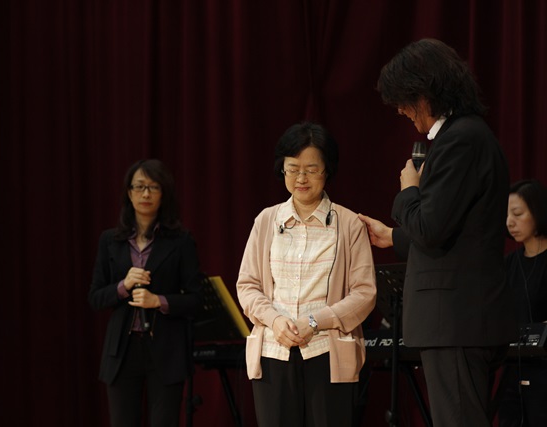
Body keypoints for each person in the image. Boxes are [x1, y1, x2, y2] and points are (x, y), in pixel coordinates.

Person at [357, 38, 517, 427]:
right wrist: (392, 237)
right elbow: (455, 230)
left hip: (456, 321)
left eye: (404, 100)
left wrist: (408, 190)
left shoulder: (460, 139)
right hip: (461, 320)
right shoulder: (466, 136)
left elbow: (430, 227)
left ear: (426, 92)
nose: (400, 110)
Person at [236, 121, 376, 427]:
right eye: (293, 169)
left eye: (311, 169)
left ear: (327, 171)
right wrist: (275, 320)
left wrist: (315, 321)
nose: (301, 178)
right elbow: (247, 285)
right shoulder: (266, 220)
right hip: (273, 351)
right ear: (282, 169)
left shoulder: (348, 224)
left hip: (328, 353)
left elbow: (364, 293)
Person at [88, 159, 202, 427]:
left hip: (167, 348)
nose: (146, 194)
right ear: (129, 193)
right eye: (139, 187)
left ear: (164, 194)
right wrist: (123, 285)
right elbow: (95, 297)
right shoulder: (110, 241)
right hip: (122, 350)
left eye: (153, 187)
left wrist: (158, 301)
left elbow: (196, 300)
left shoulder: (181, 241)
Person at [498, 179, 547, 427]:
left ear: (538, 213)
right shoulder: (508, 264)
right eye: (507, 215)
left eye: (517, 214)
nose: (509, 222)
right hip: (513, 371)